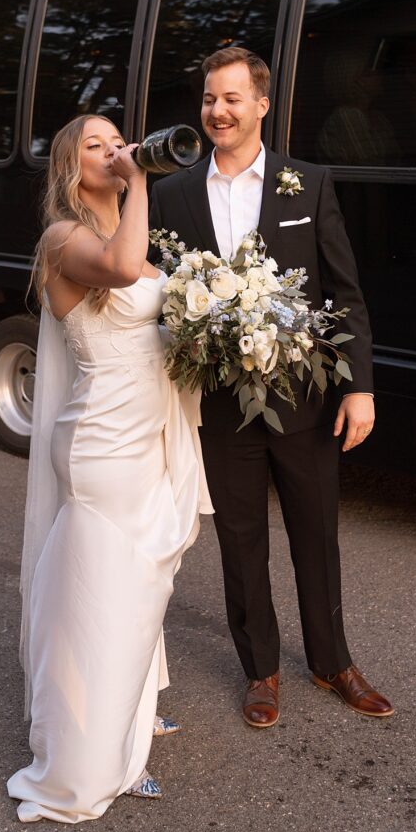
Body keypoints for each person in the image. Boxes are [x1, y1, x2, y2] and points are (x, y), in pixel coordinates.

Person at [149, 47, 393, 729]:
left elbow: (344, 295)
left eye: (230, 99)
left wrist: (359, 388)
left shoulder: (306, 183)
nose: (217, 112)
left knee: (316, 535)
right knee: (240, 538)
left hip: (305, 401)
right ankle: (260, 670)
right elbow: (160, 296)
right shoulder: (171, 194)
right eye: (208, 99)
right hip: (221, 402)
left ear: (260, 104)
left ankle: (332, 662)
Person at [7, 114, 212, 823]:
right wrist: (141, 183)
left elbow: (148, 303)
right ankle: (86, 766)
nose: (116, 150)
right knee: (105, 605)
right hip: (101, 443)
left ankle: (124, 720)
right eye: (97, 145)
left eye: (118, 140)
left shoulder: (121, 232)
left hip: (143, 435)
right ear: (70, 167)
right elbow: (126, 272)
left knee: (133, 599)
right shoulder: (63, 239)